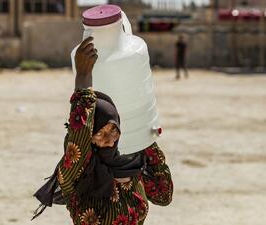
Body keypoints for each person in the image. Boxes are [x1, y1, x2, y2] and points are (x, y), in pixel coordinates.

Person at [32, 37, 173, 225]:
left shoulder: (130, 166)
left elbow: (164, 195)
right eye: (100, 133)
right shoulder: (76, 174)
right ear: (89, 134)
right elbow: (79, 133)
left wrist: (143, 133)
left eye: (114, 131)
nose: (109, 139)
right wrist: (83, 77)